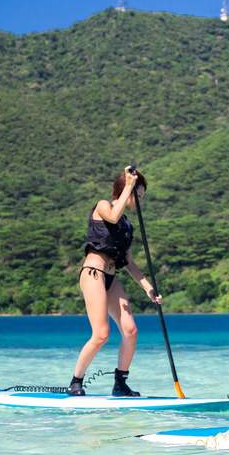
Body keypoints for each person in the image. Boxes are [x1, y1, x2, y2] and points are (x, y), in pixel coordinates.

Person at [69, 166, 161, 397]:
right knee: (101, 334)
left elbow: (128, 261)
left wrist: (148, 287)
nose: (140, 201)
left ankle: (120, 383)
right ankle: (76, 381)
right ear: (125, 189)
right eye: (137, 195)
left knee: (130, 330)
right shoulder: (103, 206)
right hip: (93, 273)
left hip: (111, 276)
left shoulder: (127, 226)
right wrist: (130, 184)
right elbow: (112, 216)